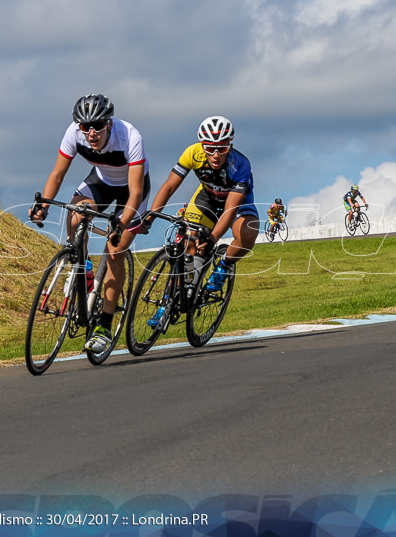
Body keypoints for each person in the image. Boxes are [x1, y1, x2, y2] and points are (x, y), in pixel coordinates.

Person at [30, 94, 151, 353]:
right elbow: (58, 173)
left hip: (131, 190)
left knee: (115, 250)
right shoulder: (73, 133)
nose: (91, 132)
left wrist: (122, 223)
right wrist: (43, 207)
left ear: (108, 123)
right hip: (101, 182)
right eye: (86, 127)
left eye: (97, 125)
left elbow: (136, 192)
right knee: (76, 216)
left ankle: (104, 327)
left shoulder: (130, 136)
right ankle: (82, 273)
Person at [143, 115, 259, 325]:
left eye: (222, 149)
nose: (215, 155)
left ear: (230, 146)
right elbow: (169, 187)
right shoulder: (192, 153)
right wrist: (151, 216)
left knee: (248, 232)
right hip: (206, 198)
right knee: (189, 242)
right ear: (202, 145)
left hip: (235, 203)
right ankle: (171, 300)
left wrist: (213, 239)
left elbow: (230, 210)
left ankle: (223, 266)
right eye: (210, 148)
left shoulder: (240, 165)